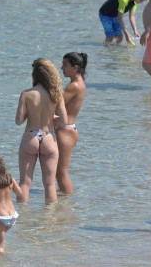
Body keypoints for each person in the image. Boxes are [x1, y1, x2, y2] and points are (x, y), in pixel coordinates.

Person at [15, 58, 67, 203]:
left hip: (30, 136)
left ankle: (22, 217)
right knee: (49, 184)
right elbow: (64, 121)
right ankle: (48, 220)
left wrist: (29, 113)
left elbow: (19, 121)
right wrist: (51, 117)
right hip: (48, 137)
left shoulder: (26, 94)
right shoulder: (57, 95)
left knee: (25, 183)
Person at [55, 52, 86, 195]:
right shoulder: (77, 83)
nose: (61, 68)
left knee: (61, 173)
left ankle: (66, 205)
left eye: (64, 65)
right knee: (58, 172)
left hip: (66, 131)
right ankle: (64, 203)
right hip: (67, 129)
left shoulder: (74, 86)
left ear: (75, 68)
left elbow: (55, 104)